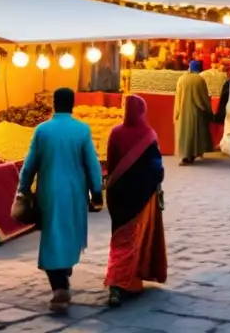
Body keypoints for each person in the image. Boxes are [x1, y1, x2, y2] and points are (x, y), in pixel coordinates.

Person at [18, 88, 104, 313]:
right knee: (69, 232)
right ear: (73, 104)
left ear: (54, 104)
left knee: (53, 235)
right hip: (75, 193)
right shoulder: (82, 130)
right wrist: (97, 192)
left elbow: (29, 165)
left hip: (49, 192)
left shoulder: (42, 130)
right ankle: (62, 278)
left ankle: (59, 284)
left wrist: (23, 189)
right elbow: (92, 165)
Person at [104, 96, 166, 308]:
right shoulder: (149, 135)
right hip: (141, 194)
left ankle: (123, 279)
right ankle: (118, 282)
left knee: (119, 236)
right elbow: (156, 166)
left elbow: (111, 163)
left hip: (117, 195)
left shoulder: (115, 132)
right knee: (132, 239)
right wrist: (158, 181)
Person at [174, 61, 214, 166]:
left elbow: (178, 97)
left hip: (183, 111)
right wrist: (209, 110)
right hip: (197, 112)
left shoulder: (181, 79)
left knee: (185, 133)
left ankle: (186, 155)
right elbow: (204, 97)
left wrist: (177, 112)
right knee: (196, 134)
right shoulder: (200, 80)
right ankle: (194, 153)